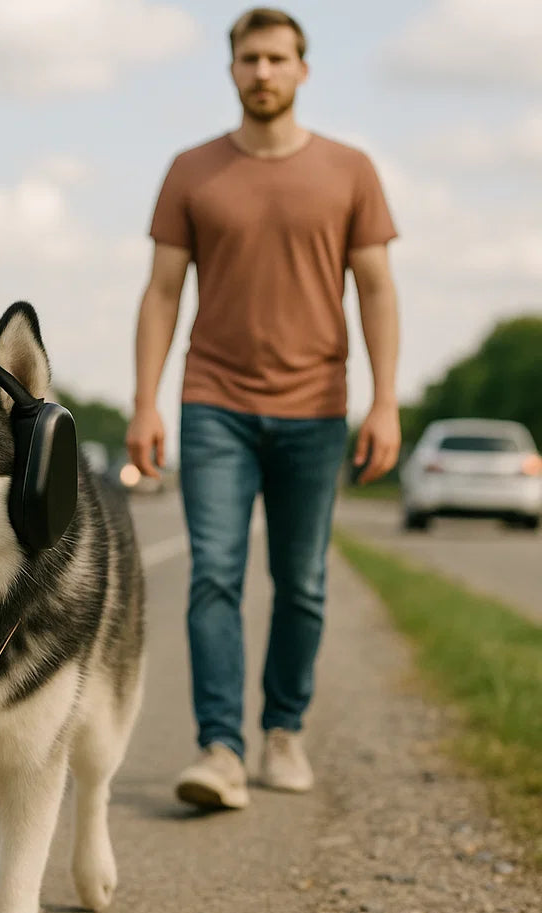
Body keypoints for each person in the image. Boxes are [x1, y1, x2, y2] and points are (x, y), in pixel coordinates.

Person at [126, 7, 400, 810]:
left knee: (302, 581)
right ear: (232, 70)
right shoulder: (192, 171)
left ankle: (283, 731)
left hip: (317, 407)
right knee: (215, 573)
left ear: (303, 70)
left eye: (278, 59)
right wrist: (145, 403)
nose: (264, 72)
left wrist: (385, 401)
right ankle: (220, 748)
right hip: (214, 402)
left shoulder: (350, 169)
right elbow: (162, 293)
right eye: (250, 59)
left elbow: (377, 289)